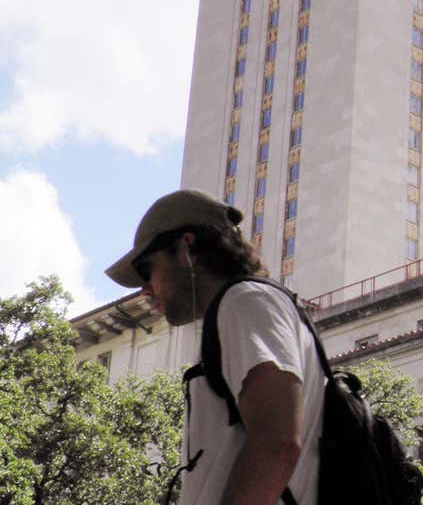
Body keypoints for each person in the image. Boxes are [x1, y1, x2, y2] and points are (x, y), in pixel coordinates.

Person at [107, 189, 324, 505]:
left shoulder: (246, 302)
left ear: (187, 247)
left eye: (146, 269)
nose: (145, 290)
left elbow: (276, 445)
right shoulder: (242, 308)